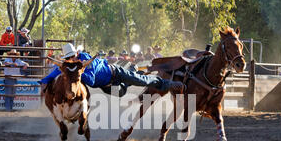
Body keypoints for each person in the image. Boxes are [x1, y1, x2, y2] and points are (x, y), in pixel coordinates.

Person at [38, 43, 184, 97]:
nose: (71, 60)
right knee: (121, 93)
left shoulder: (85, 59)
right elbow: (57, 72)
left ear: (76, 54)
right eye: (68, 58)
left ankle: (167, 84)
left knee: (142, 81)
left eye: (72, 57)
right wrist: (44, 81)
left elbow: (91, 79)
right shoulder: (71, 67)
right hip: (106, 86)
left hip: (115, 72)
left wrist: (79, 71)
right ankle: (134, 72)